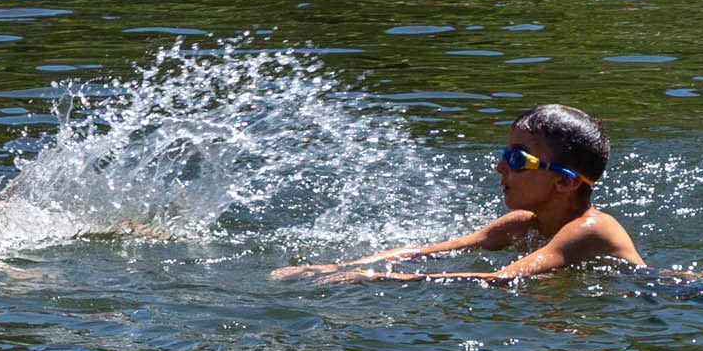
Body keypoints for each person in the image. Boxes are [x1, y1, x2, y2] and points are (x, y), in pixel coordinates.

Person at [275, 105, 644, 284]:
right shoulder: (522, 224)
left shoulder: (590, 229)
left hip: (668, 293)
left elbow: (501, 279)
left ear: (565, 182)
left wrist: (381, 280)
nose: (501, 167)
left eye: (517, 158)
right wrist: (340, 268)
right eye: (504, 154)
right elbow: (424, 252)